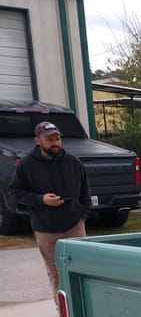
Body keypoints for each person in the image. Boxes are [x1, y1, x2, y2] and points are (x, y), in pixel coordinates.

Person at [8, 121, 91, 304]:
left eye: (57, 138)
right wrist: (41, 200)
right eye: (49, 140)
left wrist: (82, 217)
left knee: (81, 268)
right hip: (46, 228)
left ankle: (83, 308)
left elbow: (86, 192)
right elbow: (15, 192)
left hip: (75, 226)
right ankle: (64, 312)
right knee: (56, 272)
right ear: (38, 141)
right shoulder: (26, 165)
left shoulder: (73, 162)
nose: (55, 143)